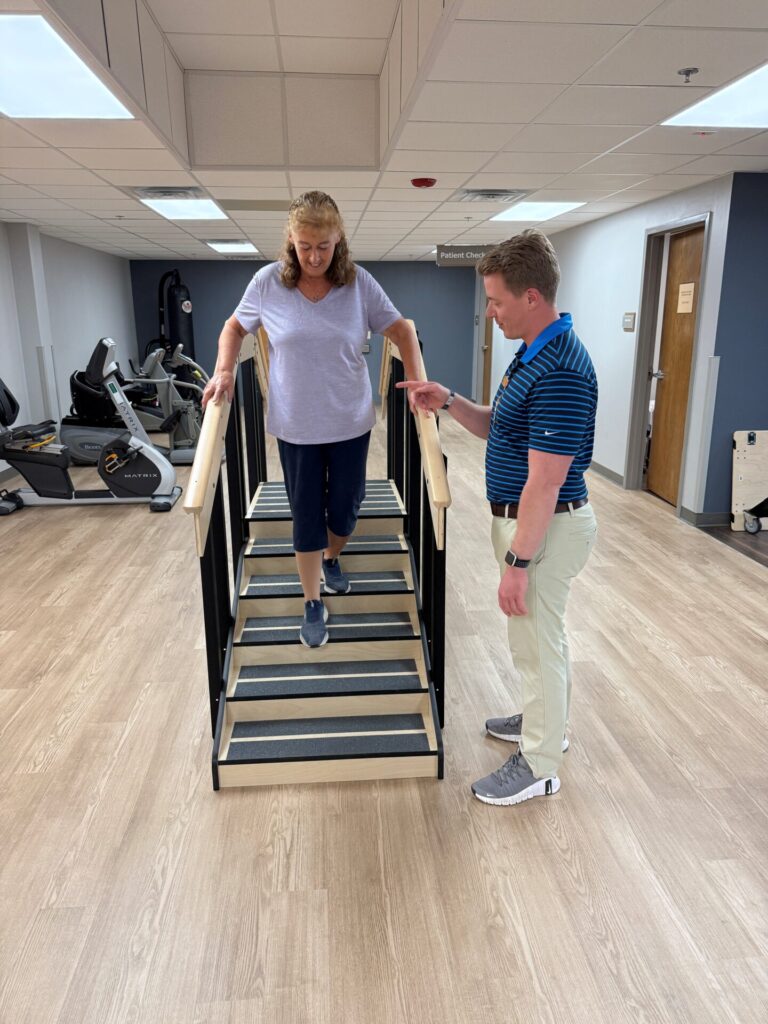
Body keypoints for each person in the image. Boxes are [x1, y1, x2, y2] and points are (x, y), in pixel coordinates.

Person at [399, 229, 597, 807]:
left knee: (537, 644)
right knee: (535, 641)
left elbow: (546, 480)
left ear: (531, 297)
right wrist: (449, 400)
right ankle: (544, 721)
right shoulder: (532, 351)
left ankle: (541, 763)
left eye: (497, 301)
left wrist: (518, 562)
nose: (490, 312)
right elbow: (498, 426)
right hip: (531, 524)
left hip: (545, 528)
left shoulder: (559, 367)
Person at [203, 191, 421, 648]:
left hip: (350, 422)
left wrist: (418, 383)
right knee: (305, 513)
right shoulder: (267, 283)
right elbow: (234, 327)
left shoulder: (359, 283)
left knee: (344, 510)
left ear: (339, 239)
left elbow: (402, 329)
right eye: (305, 246)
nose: (314, 256)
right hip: (297, 426)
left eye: (323, 246)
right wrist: (224, 370)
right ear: (291, 240)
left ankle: (332, 555)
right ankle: (311, 601)